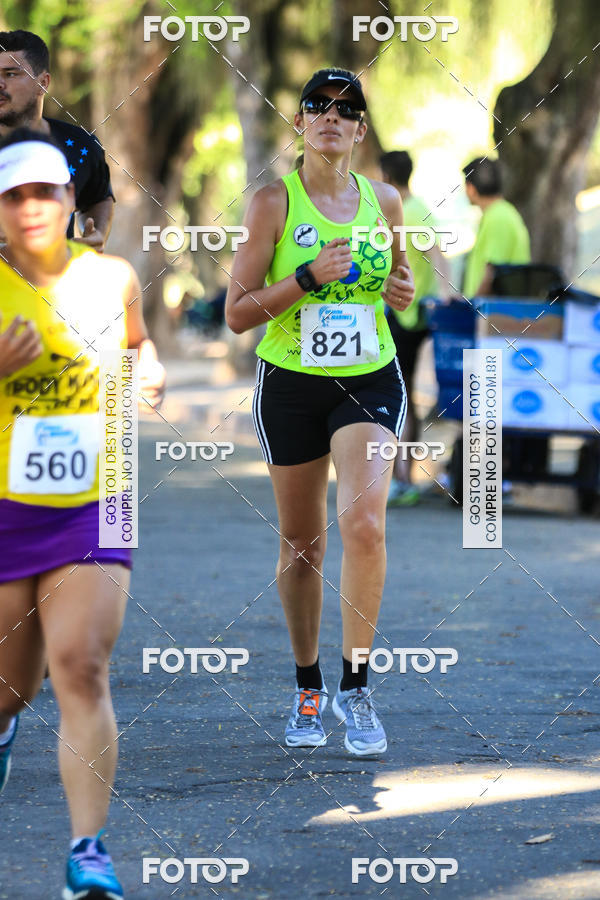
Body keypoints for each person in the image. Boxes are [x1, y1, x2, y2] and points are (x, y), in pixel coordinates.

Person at [226, 68, 415, 756]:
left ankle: (356, 686)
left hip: (368, 379)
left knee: (363, 525)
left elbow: (397, 283)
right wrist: (307, 277)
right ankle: (308, 685)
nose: (331, 117)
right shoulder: (274, 202)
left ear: (362, 129)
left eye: (346, 109)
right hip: (292, 384)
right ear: (300, 124)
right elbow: (238, 314)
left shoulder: (384, 200)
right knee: (303, 543)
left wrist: (401, 290)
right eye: (316, 107)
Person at [0, 128, 165, 899]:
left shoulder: (112, 278)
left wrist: (149, 370)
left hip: (104, 496)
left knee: (82, 666)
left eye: (47, 191)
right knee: (10, 688)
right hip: (5, 505)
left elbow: (136, 347)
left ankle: (87, 853)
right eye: (15, 195)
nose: (33, 207)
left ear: (73, 201)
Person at [380, 150, 452, 506]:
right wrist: (443, 296)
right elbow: (439, 255)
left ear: (387, 177)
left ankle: (401, 478)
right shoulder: (423, 208)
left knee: (398, 397)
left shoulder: (395, 210)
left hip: (401, 316)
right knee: (408, 397)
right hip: (423, 315)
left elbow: (436, 253)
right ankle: (405, 475)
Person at [0, 30, 114, 250]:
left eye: (10, 74)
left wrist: (97, 232)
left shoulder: (81, 144)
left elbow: (98, 197)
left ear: (43, 83)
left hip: (54, 281)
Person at [462, 156, 530, 297]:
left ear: (471, 188)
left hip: (494, 312)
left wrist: (471, 308)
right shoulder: (498, 213)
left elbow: (491, 272)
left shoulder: (498, 217)